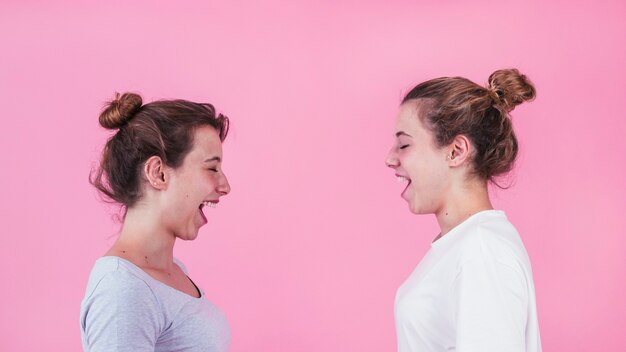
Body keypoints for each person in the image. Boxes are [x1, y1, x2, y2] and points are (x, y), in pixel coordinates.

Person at [386, 69, 541, 352]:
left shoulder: (481, 253)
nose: (390, 159)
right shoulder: (465, 247)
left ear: (456, 151)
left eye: (404, 144)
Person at [80, 92, 232, 351]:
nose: (225, 186)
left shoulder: (172, 273)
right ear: (158, 173)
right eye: (211, 169)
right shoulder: (122, 290)